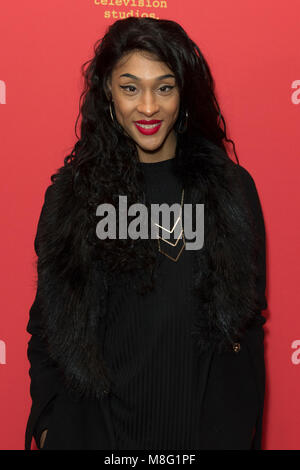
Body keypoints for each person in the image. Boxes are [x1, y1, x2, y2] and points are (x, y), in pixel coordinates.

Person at [25, 17, 268, 450]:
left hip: (199, 437)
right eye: (131, 87)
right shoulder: (73, 197)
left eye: (165, 87)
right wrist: (50, 425)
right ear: (107, 93)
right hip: (98, 436)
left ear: (184, 94)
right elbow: (48, 326)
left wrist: (235, 430)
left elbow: (246, 325)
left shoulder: (230, 190)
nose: (149, 107)